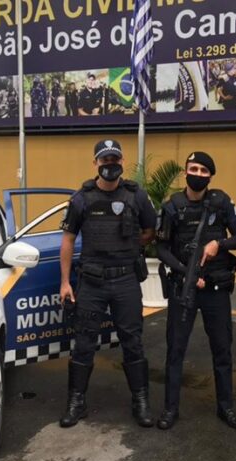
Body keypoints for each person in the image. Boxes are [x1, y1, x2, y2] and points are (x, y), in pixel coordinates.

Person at [58, 139, 158, 428]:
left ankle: (140, 401)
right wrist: (65, 282)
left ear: (122, 162)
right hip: (91, 282)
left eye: (115, 159)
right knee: (84, 343)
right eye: (105, 160)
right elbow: (67, 241)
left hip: (126, 280)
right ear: (95, 164)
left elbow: (150, 230)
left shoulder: (136, 196)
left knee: (133, 342)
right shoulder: (81, 198)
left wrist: (127, 244)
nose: (110, 165)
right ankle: (76, 402)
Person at [155, 152, 236, 430]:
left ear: (210, 176)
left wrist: (218, 244)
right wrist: (186, 274)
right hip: (184, 287)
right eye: (193, 168)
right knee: (176, 350)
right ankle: (170, 409)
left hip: (216, 288)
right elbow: (160, 248)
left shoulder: (221, 203)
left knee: (222, 349)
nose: (197, 173)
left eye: (203, 170)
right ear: (185, 172)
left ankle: (226, 407)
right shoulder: (173, 206)